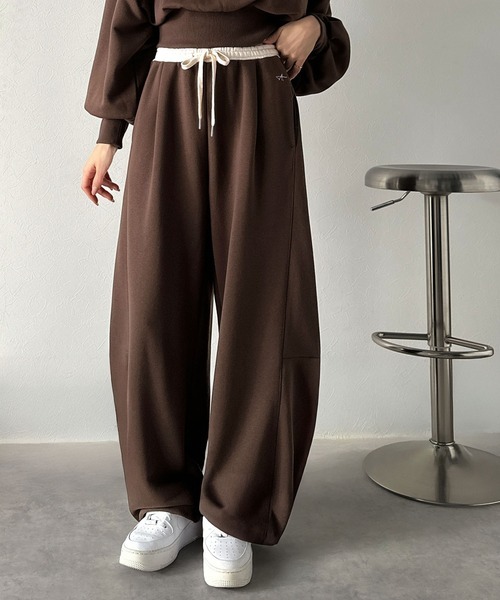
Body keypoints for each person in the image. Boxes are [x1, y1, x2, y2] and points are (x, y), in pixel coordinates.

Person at [80, 0, 350, 588]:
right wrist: (107, 136)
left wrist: (316, 27)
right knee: (151, 307)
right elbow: (125, 20)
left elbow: (321, 21)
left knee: (263, 307)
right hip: (166, 101)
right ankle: (166, 501)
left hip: (259, 98)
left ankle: (235, 507)